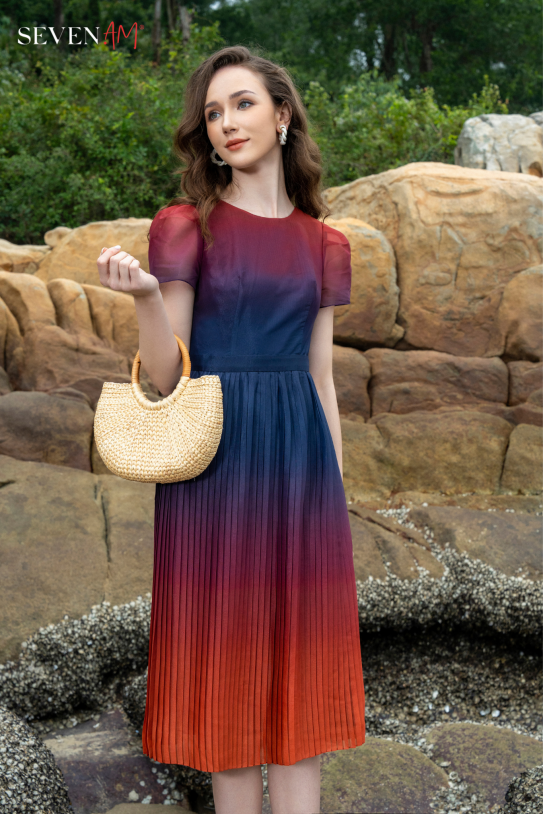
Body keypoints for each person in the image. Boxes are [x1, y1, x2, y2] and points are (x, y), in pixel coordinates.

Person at [96, 45, 365, 814]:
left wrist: (333, 500)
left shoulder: (325, 243)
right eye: (213, 112)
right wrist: (147, 298)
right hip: (216, 466)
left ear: (282, 116)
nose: (226, 122)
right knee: (229, 686)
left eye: (242, 104)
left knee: (302, 683)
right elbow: (164, 376)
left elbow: (320, 377)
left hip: (301, 471)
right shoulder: (185, 226)